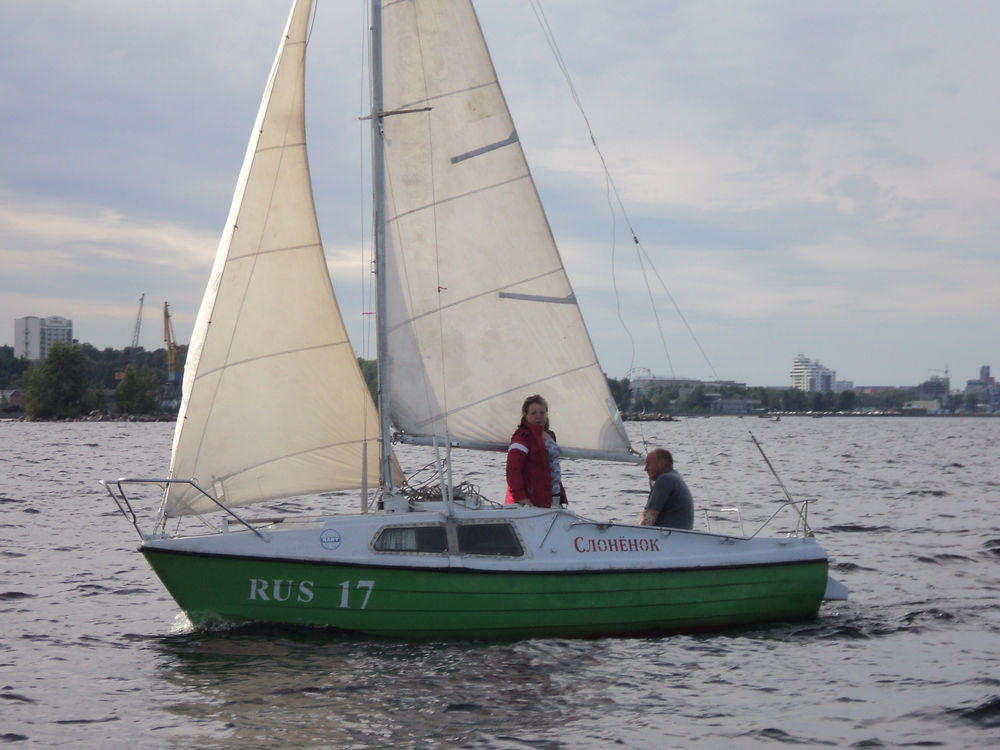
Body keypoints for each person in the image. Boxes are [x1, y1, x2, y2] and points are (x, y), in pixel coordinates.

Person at [504, 394, 568, 508]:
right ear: (526, 415)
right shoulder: (522, 437)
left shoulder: (550, 435)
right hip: (532, 500)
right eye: (534, 413)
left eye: (542, 412)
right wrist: (521, 497)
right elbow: (513, 469)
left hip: (553, 495)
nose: (539, 416)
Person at [638, 448, 693, 529]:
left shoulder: (665, 480)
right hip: (679, 534)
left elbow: (647, 522)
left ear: (662, 463)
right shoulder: (675, 478)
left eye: (648, 463)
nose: (645, 468)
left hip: (667, 536)